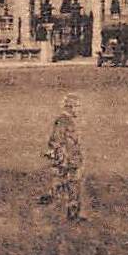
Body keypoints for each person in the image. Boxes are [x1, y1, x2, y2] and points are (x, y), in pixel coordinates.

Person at [44, 92, 85, 222]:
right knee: (71, 185)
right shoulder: (62, 121)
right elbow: (56, 141)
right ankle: (71, 214)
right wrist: (62, 159)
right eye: (77, 106)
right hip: (68, 160)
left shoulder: (68, 121)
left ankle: (71, 213)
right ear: (70, 107)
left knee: (72, 186)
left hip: (72, 159)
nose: (79, 109)